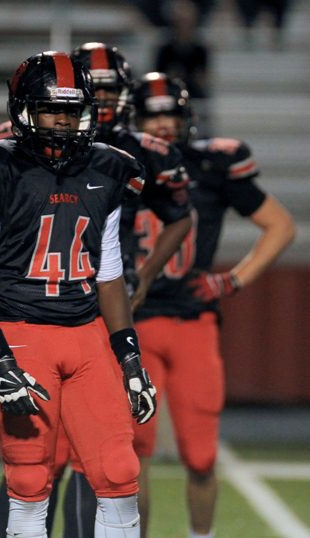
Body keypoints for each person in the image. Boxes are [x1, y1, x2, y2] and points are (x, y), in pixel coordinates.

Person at [0, 50, 158, 538]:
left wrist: (129, 358)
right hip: (22, 333)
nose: (62, 121)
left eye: (71, 109)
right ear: (23, 110)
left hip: (87, 335)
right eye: (50, 109)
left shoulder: (107, 169)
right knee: (29, 476)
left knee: (119, 471)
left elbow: (108, 275)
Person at [0, 42, 193, 538]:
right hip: (32, 312)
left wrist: (140, 277)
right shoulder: (6, 148)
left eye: (107, 90)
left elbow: (179, 216)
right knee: (39, 461)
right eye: (92, 89)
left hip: (101, 307)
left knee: (104, 459)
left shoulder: (135, 154)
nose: (99, 101)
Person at [129, 72, 295, 538]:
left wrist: (231, 281)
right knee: (130, 456)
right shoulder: (118, 163)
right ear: (135, 118)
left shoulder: (210, 165)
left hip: (190, 321)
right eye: (152, 115)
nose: (162, 125)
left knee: (201, 456)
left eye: (170, 115)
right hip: (133, 324)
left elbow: (280, 226)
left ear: (187, 119)